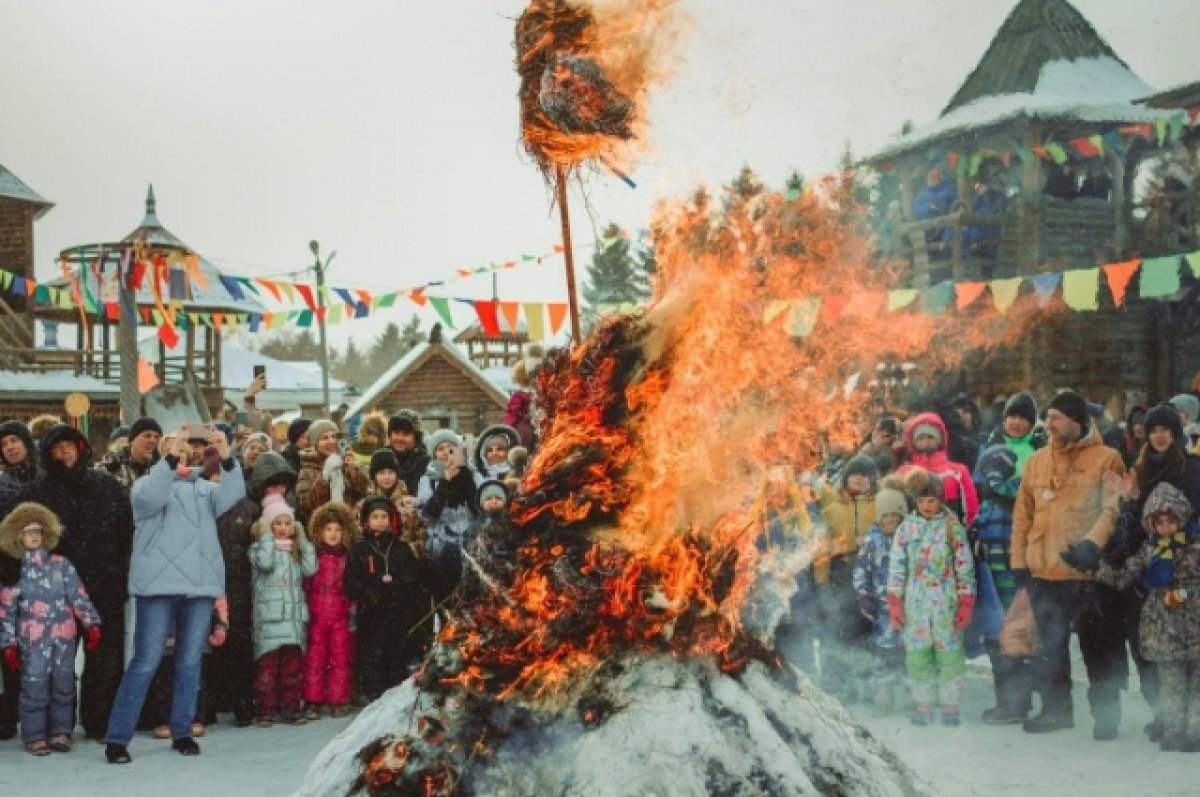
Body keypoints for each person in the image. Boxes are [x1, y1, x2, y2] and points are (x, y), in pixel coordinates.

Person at [104, 426, 245, 764]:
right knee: (146, 660)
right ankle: (117, 738)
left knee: (190, 660)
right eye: (175, 445)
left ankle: (182, 731)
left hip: (198, 586)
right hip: (157, 586)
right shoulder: (145, 485)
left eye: (189, 445)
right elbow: (151, 496)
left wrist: (225, 453)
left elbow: (234, 492)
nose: (184, 450)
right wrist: (169, 457)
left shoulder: (204, 489)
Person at [1011, 390, 1126, 740]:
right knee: (1050, 648)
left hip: (1085, 571)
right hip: (1044, 570)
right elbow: (1022, 515)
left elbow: (1113, 507)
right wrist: (1019, 560)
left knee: (1098, 649)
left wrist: (1092, 544)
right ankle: (1056, 711)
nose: (1049, 424)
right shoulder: (1036, 460)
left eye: (1056, 417)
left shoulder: (1108, 458)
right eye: (1048, 417)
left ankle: (1106, 714)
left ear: (1078, 422)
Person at [23, 423, 132, 743]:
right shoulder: (39, 490)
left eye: (68, 445)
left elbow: (125, 530)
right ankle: (58, 726)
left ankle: (99, 721)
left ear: (80, 447)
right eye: (56, 448)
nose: (63, 452)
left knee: (105, 658)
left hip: (105, 584)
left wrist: (119, 571)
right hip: (56, 590)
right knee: (58, 659)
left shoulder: (105, 484)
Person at [1102, 403, 1200, 741]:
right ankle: (1161, 713)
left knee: (1188, 652)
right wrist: (1128, 501)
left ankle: (1188, 722)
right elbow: (1129, 521)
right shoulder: (1138, 468)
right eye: (1153, 429)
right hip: (1146, 565)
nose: (1159, 435)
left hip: (1184, 566)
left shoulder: (1192, 469)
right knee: (1148, 646)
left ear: (1175, 433)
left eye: (1165, 429)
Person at [1081, 483, 1200, 752]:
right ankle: (1173, 730)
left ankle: (1195, 731)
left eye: (1171, 521)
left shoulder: (1196, 545)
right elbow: (1124, 577)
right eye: (1160, 523)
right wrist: (1096, 568)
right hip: (1164, 626)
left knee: (1196, 684)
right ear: (1151, 524)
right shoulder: (1150, 550)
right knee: (1171, 683)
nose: (1166, 528)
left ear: (1181, 519)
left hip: (1195, 622)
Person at [0, 502, 102, 755]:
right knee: (34, 684)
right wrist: (8, 643)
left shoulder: (62, 565)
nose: (33, 536)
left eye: (38, 531)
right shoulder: (14, 570)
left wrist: (91, 623)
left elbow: (78, 596)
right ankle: (34, 735)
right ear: (18, 536)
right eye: (27, 531)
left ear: (46, 534)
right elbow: (6, 611)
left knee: (64, 683)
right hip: (32, 641)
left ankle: (60, 731)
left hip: (63, 637)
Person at [211, 451, 297, 727]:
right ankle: (237, 700)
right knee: (236, 642)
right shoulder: (244, 508)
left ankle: (259, 699)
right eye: (272, 485)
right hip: (240, 583)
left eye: (283, 485)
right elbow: (232, 548)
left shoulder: (288, 512)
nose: (278, 491)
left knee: (262, 647)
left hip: (273, 589)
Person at [886, 467, 975, 726]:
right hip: (915, 606)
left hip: (946, 604)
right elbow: (897, 567)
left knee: (950, 657)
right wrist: (895, 602)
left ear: (940, 501)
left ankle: (950, 705)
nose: (926, 506)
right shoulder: (906, 529)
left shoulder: (952, 528)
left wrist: (966, 601)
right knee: (917, 657)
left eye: (931, 500)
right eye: (922, 500)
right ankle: (923, 703)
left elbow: (964, 566)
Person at [345, 497, 426, 702]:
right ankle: (373, 691)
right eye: (375, 517)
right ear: (366, 521)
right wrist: (369, 593)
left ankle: (396, 690)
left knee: (396, 651)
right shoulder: (359, 549)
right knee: (372, 652)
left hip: (397, 610)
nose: (380, 521)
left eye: (384, 516)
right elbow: (351, 581)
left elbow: (414, 576)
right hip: (372, 611)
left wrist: (401, 585)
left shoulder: (401, 547)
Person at [814, 454, 878, 703]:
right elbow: (821, 549)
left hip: (871, 572)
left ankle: (867, 684)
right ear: (846, 479)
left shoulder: (879, 505)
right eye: (855, 474)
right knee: (838, 626)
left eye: (866, 475)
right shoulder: (832, 510)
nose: (860, 479)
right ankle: (836, 683)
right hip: (841, 572)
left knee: (867, 628)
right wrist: (822, 582)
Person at [250, 494, 316, 727]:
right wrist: (266, 536)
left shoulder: (295, 551)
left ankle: (290, 709)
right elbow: (265, 564)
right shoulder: (259, 548)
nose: (283, 528)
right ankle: (265, 710)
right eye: (278, 523)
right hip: (270, 620)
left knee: (291, 670)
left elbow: (310, 569)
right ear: (269, 525)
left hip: (293, 620)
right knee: (267, 670)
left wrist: (304, 540)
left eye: (287, 523)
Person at [853, 475, 908, 717]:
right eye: (884, 515)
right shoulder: (871, 541)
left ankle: (909, 695)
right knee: (884, 651)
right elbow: (861, 570)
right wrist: (864, 595)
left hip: (910, 605)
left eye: (894, 515)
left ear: (903, 515)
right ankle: (883, 695)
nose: (889, 520)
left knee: (908, 652)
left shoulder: (911, 538)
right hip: (883, 608)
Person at [303, 501, 357, 720]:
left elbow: (353, 587)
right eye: (328, 529)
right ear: (319, 532)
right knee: (315, 659)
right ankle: (313, 700)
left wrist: (353, 611)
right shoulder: (314, 558)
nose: (333, 534)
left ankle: (338, 700)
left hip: (341, 617)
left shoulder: (348, 559)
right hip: (317, 616)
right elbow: (306, 584)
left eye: (337, 529)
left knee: (341, 659)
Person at [895, 412, 979, 527]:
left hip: (950, 535)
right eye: (920, 438)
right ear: (913, 441)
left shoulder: (957, 472)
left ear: (939, 439)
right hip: (914, 537)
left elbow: (970, 507)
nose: (925, 442)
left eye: (930, 437)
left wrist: (966, 531)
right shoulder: (903, 473)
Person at [296, 420, 369, 523]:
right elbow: (305, 507)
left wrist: (353, 472)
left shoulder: (346, 462)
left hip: (349, 525)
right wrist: (324, 478)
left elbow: (365, 494)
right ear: (315, 443)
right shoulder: (307, 470)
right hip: (323, 527)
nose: (331, 441)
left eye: (334, 437)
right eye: (324, 438)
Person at [96, 417, 162, 491]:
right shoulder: (110, 468)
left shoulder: (162, 469)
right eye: (147, 436)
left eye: (157, 437)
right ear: (132, 440)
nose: (153, 441)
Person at [913, 169, 957, 261]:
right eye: (929, 181)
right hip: (929, 231)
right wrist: (929, 207)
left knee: (946, 258)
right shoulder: (923, 194)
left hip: (945, 230)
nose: (930, 182)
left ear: (939, 180)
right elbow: (916, 209)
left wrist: (946, 237)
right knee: (932, 259)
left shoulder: (948, 192)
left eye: (933, 180)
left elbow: (955, 213)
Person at [388, 410, 431, 497]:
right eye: (396, 433)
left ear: (416, 437)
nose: (400, 438)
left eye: (406, 434)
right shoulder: (383, 457)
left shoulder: (426, 462)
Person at [0, 419, 40, 487]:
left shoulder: (49, 478)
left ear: (27, 443)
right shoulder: (2, 485)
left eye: (14, 440)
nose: (9, 447)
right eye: (3, 444)